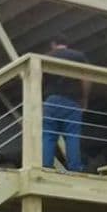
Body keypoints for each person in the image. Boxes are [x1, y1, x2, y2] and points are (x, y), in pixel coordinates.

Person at [43, 36, 90, 171]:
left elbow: (40, 79)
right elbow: (86, 78)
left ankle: (46, 165)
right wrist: (84, 98)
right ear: (66, 44)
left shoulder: (47, 57)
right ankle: (74, 167)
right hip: (72, 101)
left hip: (52, 100)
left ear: (53, 44)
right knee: (72, 135)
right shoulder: (78, 56)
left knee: (49, 135)